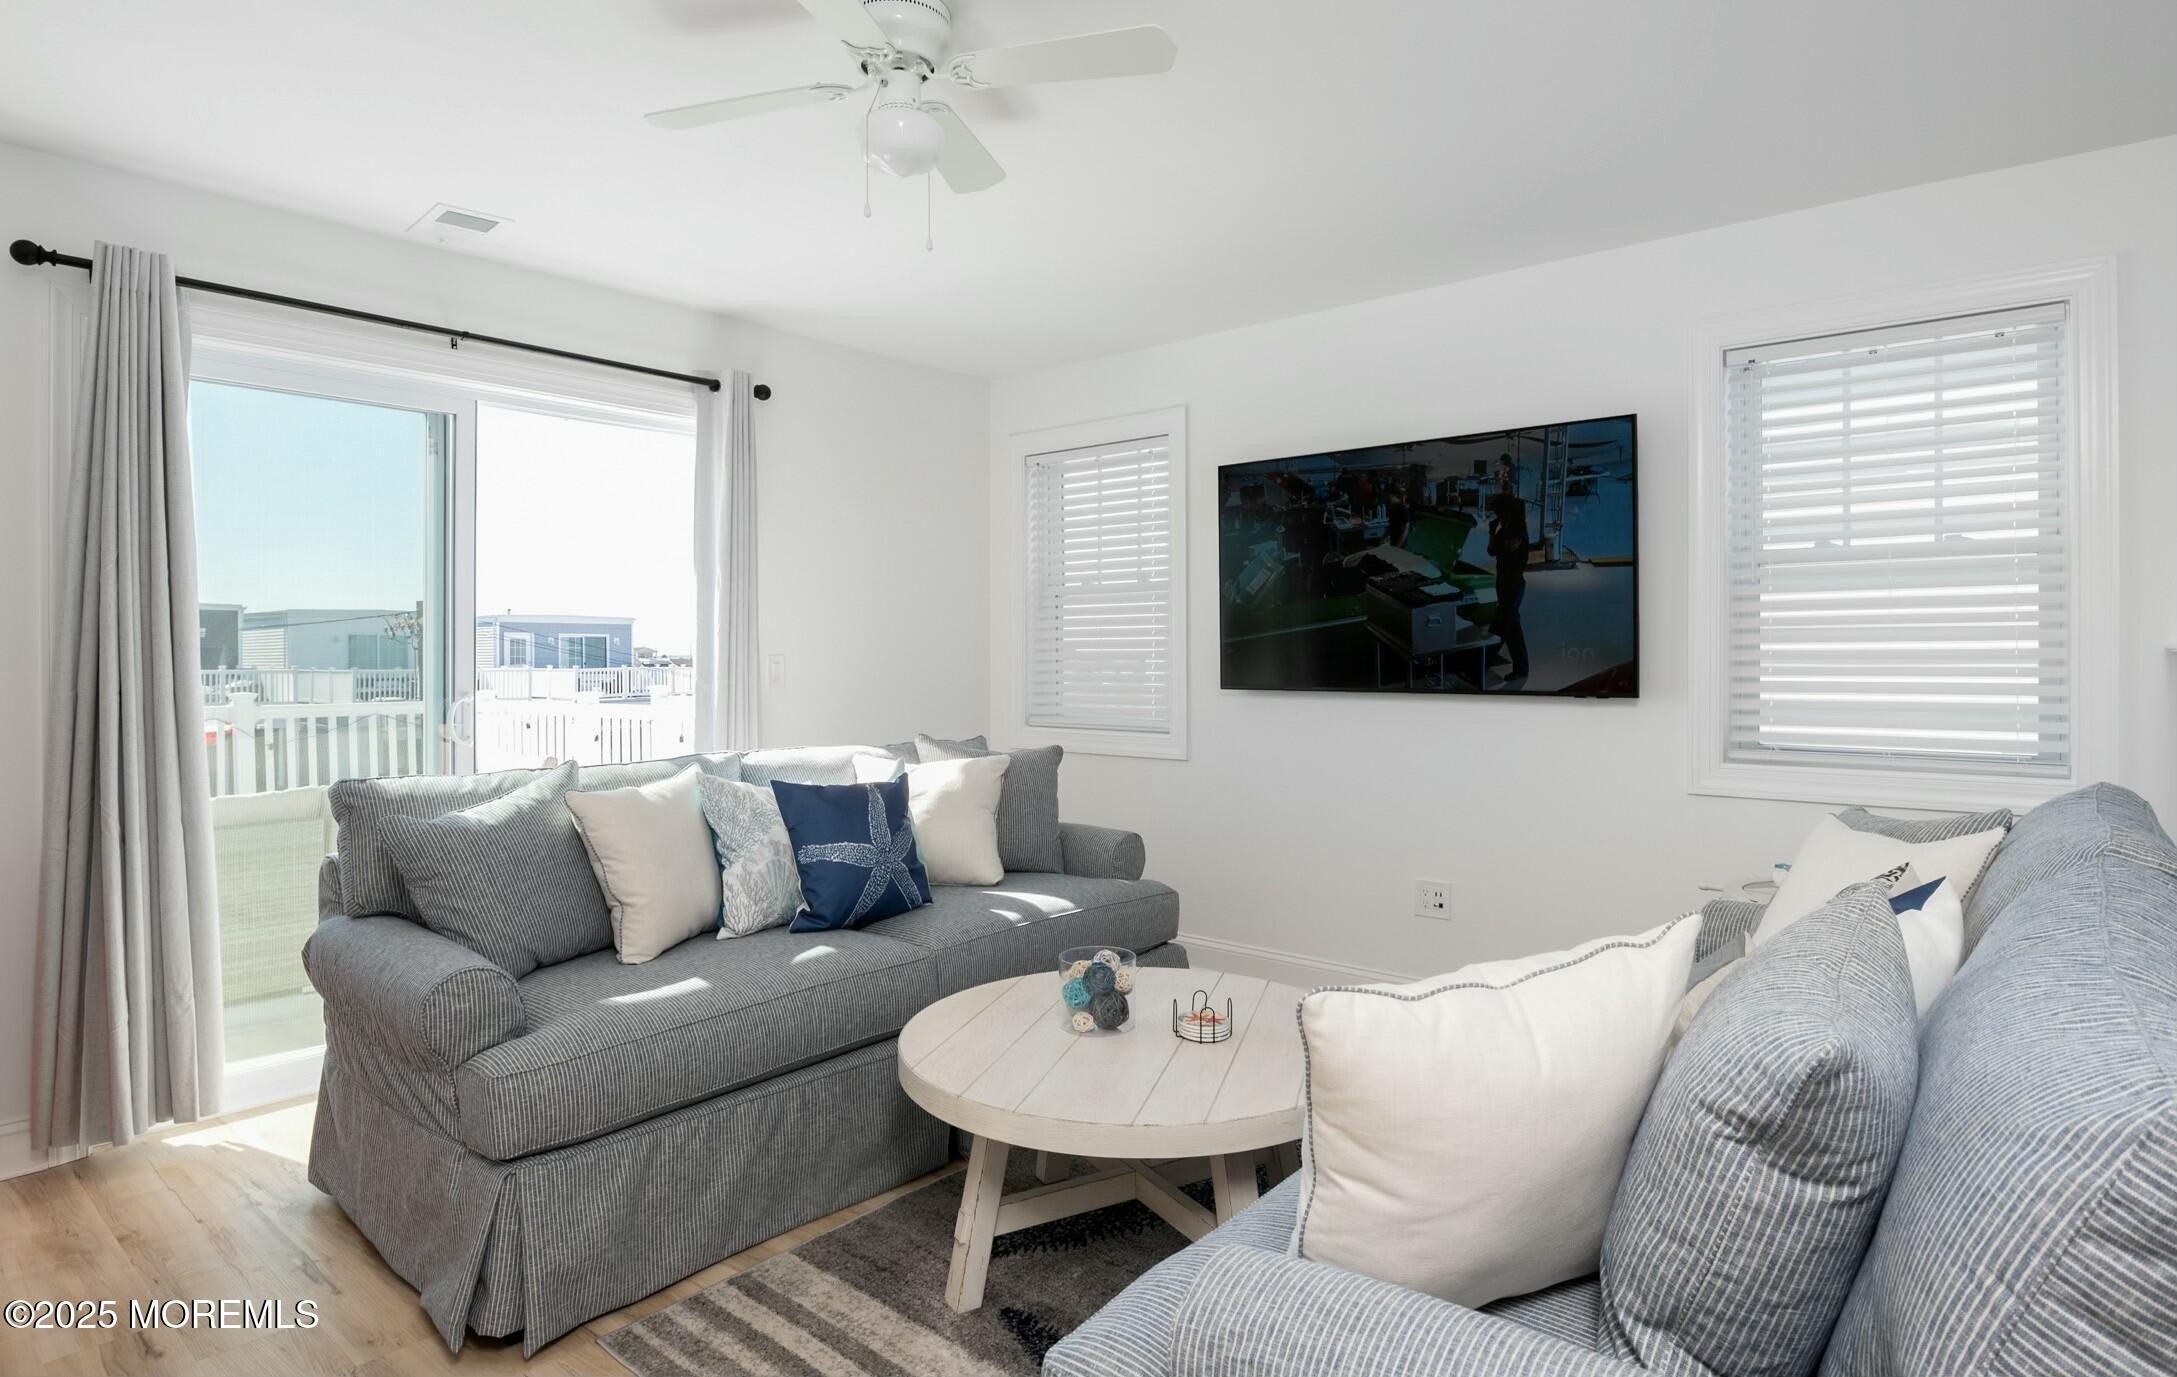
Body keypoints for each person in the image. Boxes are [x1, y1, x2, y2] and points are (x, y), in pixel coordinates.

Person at [1486, 491, 1531, 683]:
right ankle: (1521, 668)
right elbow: (1491, 551)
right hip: (1504, 581)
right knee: (1512, 628)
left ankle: (1484, 660)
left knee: (1501, 625)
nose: (1497, 515)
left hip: (1513, 583)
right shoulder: (1505, 528)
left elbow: (1506, 548)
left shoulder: (1517, 529)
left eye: (1498, 512)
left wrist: (1499, 537)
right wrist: (1492, 532)